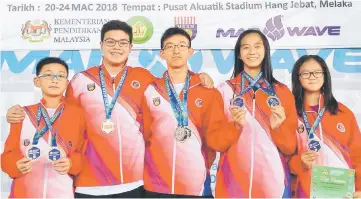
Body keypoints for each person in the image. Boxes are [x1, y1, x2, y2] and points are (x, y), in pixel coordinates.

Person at [5, 20, 214, 198]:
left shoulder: (144, 78)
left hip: (134, 183)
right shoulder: (80, 81)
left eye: (123, 42)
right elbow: (58, 115)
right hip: (89, 182)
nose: (117, 47)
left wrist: (199, 78)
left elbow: (175, 85)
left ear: (131, 47)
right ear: (101, 45)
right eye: (111, 42)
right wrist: (18, 113)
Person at [141, 27, 241, 198]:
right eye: (170, 46)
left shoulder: (208, 91)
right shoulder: (150, 90)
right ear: (161, 54)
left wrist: (236, 125)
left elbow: (216, 140)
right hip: (156, 185)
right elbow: (144, 136)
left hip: (196, 185)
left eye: (181, 45)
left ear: (190, 51)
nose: (176, 50)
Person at [214, 29, 298, 198]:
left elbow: (290, 148)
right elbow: (216, 143)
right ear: (239, 54)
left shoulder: (282, 93)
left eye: (257, 46)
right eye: (246, 47)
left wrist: (277, 128)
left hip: (273, 185)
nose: (252, 52)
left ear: (265, 51)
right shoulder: (224, 90)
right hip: (232, 184)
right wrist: (235, 127)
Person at [1, 57, 86, 198]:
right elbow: (7, 155)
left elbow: (85, 153)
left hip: (62, 194)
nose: (55, 79)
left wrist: (72, 164)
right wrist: (15, 164)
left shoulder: (78, 116)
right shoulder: (22, 114)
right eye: (48, 74)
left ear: (67, 83)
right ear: (37, 81)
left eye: (60, 75)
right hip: (23, 194)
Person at [288, 55, 361, 198]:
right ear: (298, 78)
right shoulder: (290, 113)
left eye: (317, 72)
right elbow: (282, 157)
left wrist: (359, 189)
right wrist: (299, 162)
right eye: (306, 73)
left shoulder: (343, 114)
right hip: (304, 192)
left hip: (342, 193)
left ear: (325, 76)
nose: (312, 77)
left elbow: (358, 156)